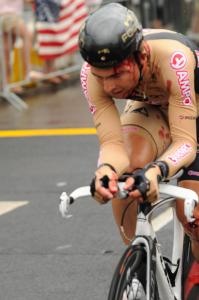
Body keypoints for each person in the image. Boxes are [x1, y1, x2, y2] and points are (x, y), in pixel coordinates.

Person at [78, 2, 199, 296]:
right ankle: (140, 262)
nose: (108, 87)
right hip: (151, 105)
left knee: (193, 212)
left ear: (142, 56)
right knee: (125, 178)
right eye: (101, 76)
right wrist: (106, 171)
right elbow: (112, 144)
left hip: (190, 107)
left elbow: (186, 142)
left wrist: (157, 170)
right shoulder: (90, 73)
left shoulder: (175, 59)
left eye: (117, 74)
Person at [0, 0, 32, 93]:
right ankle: (27, 73)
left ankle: (6, 84)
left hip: (3, 15)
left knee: (6, 51)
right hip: (9, 15)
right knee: (27, 35)